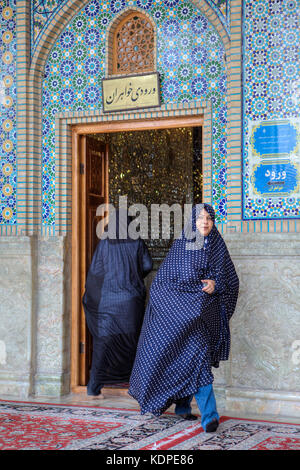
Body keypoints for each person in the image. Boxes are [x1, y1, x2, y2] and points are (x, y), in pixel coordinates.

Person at [128, 203, 239, 432]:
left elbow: (231, 279)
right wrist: (190, 300)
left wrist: (215, 285)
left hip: (203, 318)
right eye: (200, 218)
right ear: (192, 222)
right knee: (196, 360)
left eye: (209, 218)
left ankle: (183, 408)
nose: (205, 222)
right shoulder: (183, 245)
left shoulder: (217, 245)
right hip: (179, 317)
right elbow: (164, 284)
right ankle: (209, 416)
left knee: (191, 359)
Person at [82, 209, 153, 397]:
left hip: (107, 303)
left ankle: (93, 387)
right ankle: (134, 386)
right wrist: (135, 276)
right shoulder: (136, 241)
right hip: (130, 302)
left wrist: (92, 294)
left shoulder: (105, 242)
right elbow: (148, 265)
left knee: (102, 344)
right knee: (133, 342)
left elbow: (96, 271)